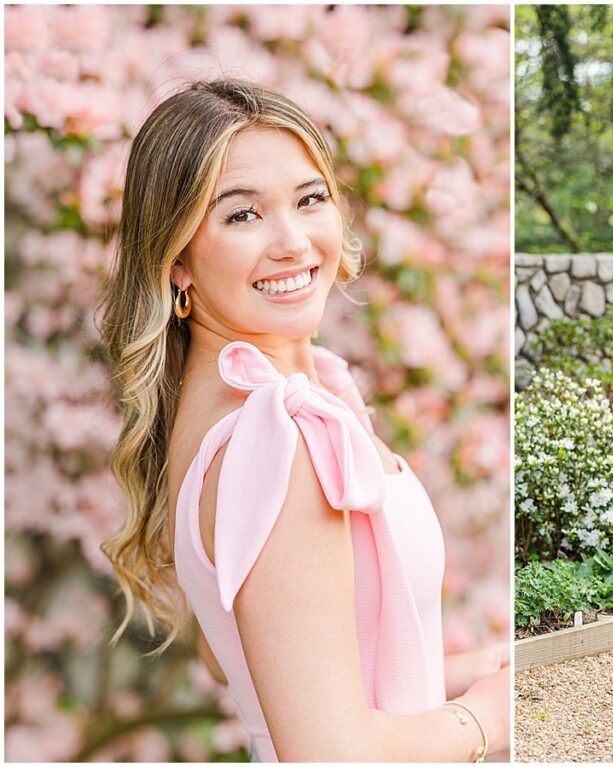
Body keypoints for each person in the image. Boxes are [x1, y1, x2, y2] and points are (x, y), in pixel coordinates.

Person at [100, 80, 509, 761]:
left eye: (309, 199)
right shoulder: (278, 436)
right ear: (177, 259)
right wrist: (488, 715)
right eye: (242, 215)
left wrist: (472, 671)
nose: (293, 242)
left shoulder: (233, 410)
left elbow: (243, 661)